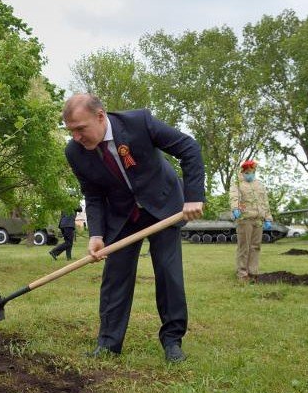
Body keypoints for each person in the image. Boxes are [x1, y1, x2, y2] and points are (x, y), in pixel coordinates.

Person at [63, 93, 205, 363]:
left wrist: (193, 196)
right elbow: (92, 194)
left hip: (163, 205)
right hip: (122, 214)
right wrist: (96, 234)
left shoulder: (140, 122)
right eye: (71, 132)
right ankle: (108, 344)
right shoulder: (75, 152)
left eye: (80, 129)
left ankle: (172, 341)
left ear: (100, 116)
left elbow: (189, 148)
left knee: (167, 271)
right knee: (115, 276)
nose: (77, 138)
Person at [229, 160, 273, 281]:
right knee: (244, 247)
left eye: (252, 172)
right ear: (243, 172)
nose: (250, 174)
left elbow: (265, 202)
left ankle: (253, 272)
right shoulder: (237, 183)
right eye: (248, 172)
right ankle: (242, 274)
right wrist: (235, 208)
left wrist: (268, 218)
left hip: (258, 220)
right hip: (244, 219)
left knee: (255, 246)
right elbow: (234, 197)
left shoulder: (259, 184)